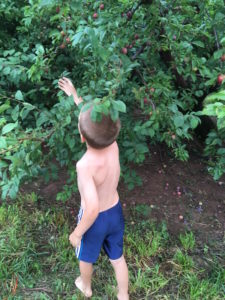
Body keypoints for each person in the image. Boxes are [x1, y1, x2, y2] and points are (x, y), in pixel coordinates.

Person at [58, 77, 129, 300]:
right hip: (115, 212)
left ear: (81, 136)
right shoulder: (113, 145)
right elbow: (97, 122)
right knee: (118, 258)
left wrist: (77, 233)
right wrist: (75, 96)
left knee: (86, 257)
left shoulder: (85, 166)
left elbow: (91, 208)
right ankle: (123, 294)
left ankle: (86, 286)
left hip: (94, 221)